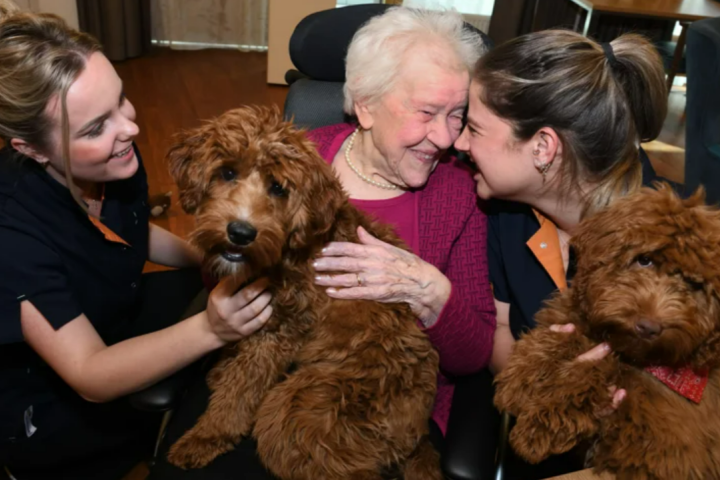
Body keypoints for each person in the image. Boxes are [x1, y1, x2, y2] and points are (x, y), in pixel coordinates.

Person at [150, 6, 496, 479]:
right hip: (263, 360)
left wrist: (428, 290)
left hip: (370, 394)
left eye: (458, 116)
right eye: (427, 112)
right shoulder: (292, 157)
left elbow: (474, 352)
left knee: (290, 445)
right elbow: (228, 264)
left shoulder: (463, 193)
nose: (446, 137)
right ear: (367, 104)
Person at [0, 3, 272, 479]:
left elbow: (129, 230)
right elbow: (89, 374)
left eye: (120, 100)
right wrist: (211, 329)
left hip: (114, 315)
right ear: (32, 149)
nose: (130, 128)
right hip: (54, 406)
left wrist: (209, 259)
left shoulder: (109, 158)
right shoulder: (10, 233)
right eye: (95, 127)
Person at [454, 29, 669, 479]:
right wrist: (546, 385)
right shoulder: (506, 212)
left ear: (543, 147)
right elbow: (502, 329)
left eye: (473, 129)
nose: (459, 144)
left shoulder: (663, 249)